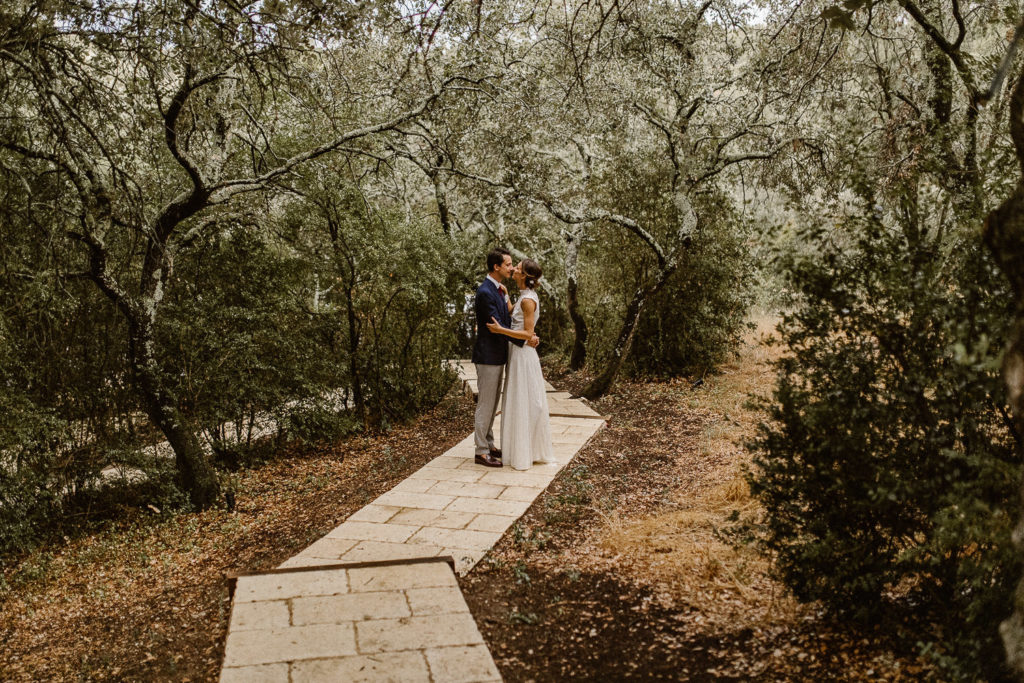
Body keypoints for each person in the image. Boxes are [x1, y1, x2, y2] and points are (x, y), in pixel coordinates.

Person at [472, 248, 539, 467]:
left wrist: (529, 335)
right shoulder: (485, 292)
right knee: (486, 403)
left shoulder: (500, 289)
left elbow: (509, 321)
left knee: (492, 403)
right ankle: (481, 451)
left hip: (499, 353)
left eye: (513, 265)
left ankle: (489, 444)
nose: (511, 269)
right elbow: (496, 326)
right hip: (488, 355)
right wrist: (525, 338)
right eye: (509, 265)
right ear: (496, 267)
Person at [487, 259, 555, 470]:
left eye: (517, 267)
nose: (514, 269)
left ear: (524, 275)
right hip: (517, 354)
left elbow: (527, 333)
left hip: (523, 355)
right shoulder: (523, 297)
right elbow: (512, 313)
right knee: (520, 399)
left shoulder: (528, 301)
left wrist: (500, 331)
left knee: (525, 400)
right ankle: (523, 448)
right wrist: (505, 294)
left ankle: (526, 452)